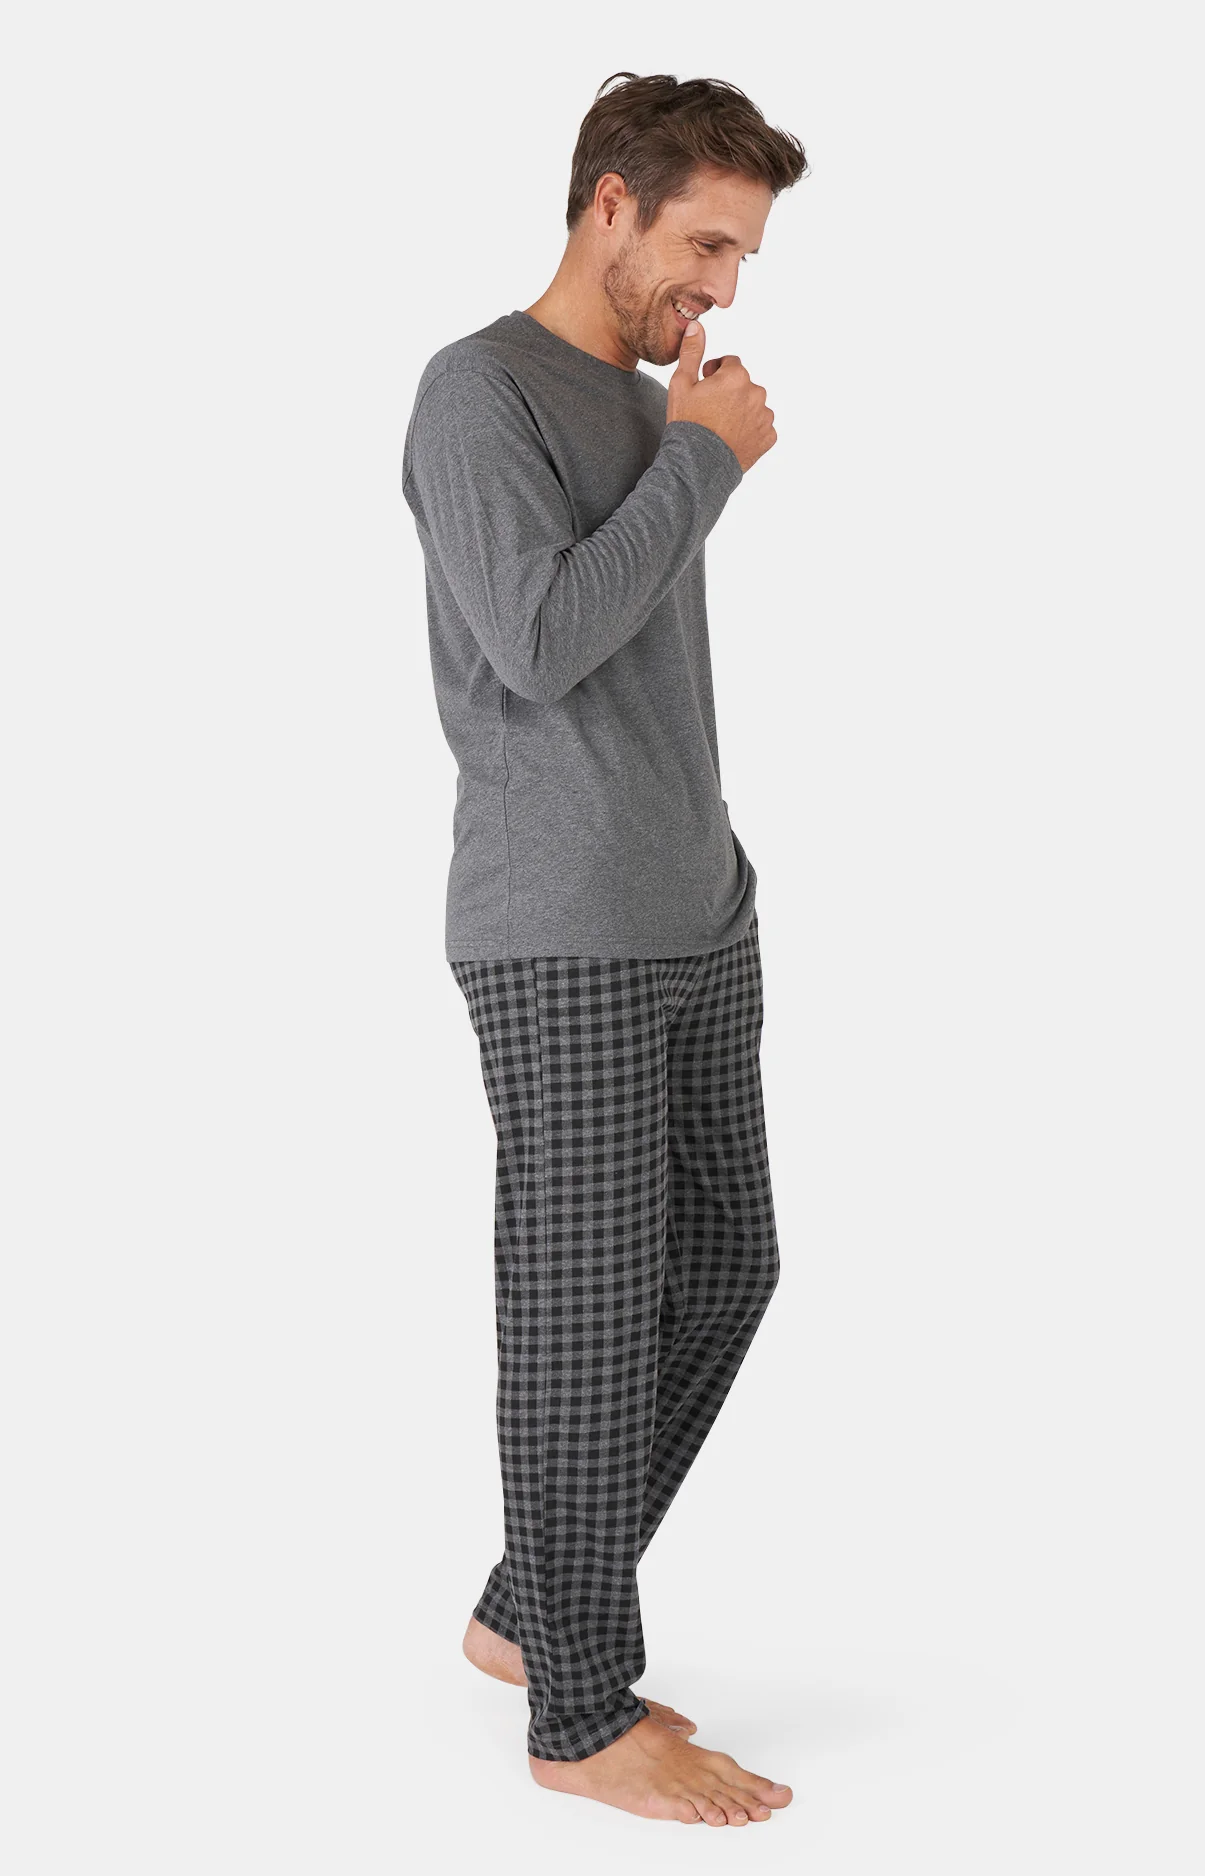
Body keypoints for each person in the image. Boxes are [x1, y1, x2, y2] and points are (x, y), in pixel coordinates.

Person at [402, 70, 808, 1826]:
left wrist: (686, 450)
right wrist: (707, 463)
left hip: (696, 904)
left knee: (726, 1269)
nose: (721, 285)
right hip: (563, 925)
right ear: (610, 204)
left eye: (745, 256)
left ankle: (530, 1609)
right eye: (705, 242)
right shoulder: (477, 391)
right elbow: (542, 635)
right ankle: (577, 1711)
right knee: (582, 1315)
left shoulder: (650, 408)